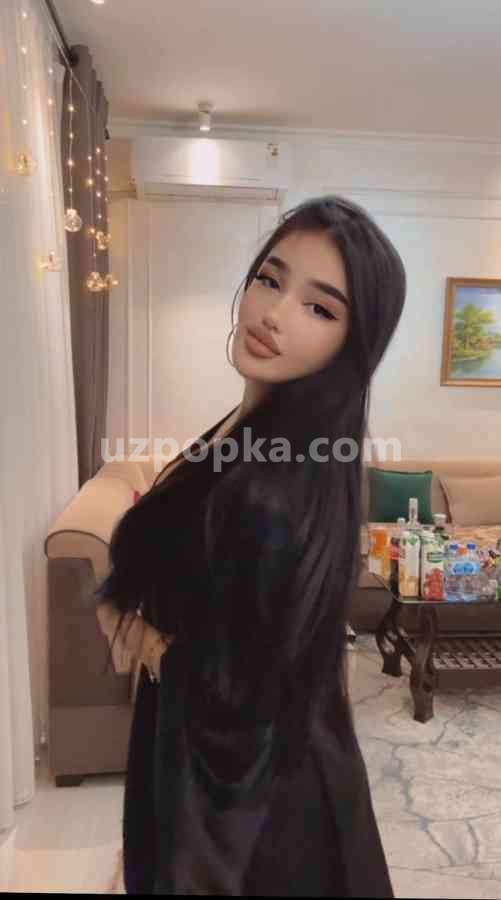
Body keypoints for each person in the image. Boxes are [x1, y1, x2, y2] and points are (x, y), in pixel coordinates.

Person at [94, 194, 406, 896]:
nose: (273, 313)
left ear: (351, 347)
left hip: (253, 823)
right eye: (270, 279)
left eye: (319, 308)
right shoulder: (247, 434)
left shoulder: (273, 489)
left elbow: (238, 726)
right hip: (248, 784)